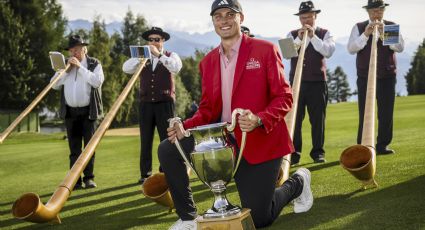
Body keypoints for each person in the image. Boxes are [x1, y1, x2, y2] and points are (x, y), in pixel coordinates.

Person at [158, 0, 313, 229]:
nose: (224, 20)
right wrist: (185, 126)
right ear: (213, 21)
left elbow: (284, 97)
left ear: (241, 17)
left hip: (260, 140)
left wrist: (259, 119)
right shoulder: (208, 61)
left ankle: (298, 182)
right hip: (223, 142)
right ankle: (188, 218)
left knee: (259, 219)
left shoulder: (265, 50)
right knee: (168, 147)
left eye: (230, 14)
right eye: (218, 16)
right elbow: (208, 109)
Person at [123, 27, 183, 184]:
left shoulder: (171, 55)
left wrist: (159, 55)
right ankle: (145, 174)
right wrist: (142, 56)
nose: (154, 42)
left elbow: (175, 67)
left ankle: (166, 172)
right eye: (151, 40)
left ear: (163, 41)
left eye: (157, 39)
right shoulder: (143, 56)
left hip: (165, 103)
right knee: (145, 139)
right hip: (146, 103)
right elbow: (126, 68)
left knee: (167, 139)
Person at [347, 0, 404, 154]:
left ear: (383, 11)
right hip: (365, 76)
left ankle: (382, 145)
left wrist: (386, 32)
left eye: (379, 11)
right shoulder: (359, 27)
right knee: (364, 112)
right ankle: (363, 145)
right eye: (373, 11)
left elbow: (400, 47)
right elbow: (351, 49)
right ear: (368, 12)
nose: (376, 14)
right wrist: (366, 34)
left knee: (386, 112)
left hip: (387, 75)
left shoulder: (391, 25)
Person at [284, 1, 335, 165]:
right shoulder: (290, 33)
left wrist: (313, 37)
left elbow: (328, 51)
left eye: (309, 17)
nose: (306, 20)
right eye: (303, 17)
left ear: (315, 16)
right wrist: (300, 39)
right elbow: (287, 54)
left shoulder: (325, 33)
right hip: (296, 83)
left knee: (318, 120)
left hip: (318, 82)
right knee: (295, 120)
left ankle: (318, 153)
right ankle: (294, 154)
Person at [51, 35, 104, 190]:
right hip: (70, 112)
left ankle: (89, 178)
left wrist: (80, 68)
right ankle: (75, 180)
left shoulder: (94, 63)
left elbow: (97, 82)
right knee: (74, 149)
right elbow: (54, 85)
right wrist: (65, 71)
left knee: (88, 148)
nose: (73, 52)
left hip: (89, 112)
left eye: (76, 49)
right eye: (71, 50)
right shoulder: (65, 67)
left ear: (84, 49)